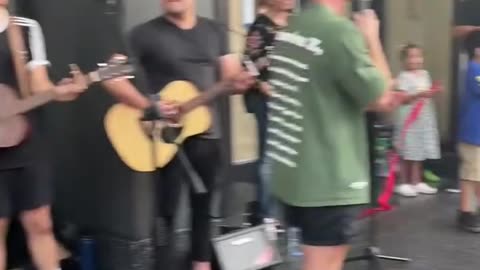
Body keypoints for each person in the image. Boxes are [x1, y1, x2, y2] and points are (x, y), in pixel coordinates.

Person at [101, 1, 253, 269]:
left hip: (207, 134)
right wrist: (149, 106)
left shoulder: (216, 31)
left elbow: (230, 79)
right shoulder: (143, 34)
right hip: (164, 138)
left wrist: (241, 82)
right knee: (166, 214)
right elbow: (109, 77)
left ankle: (201, 265)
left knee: (204, 210)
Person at [265, 1, 406, 269]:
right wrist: (371, 38)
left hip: (294, 173)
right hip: (329, 177)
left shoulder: (290, 28)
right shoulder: (339, 31)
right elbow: (382, 96)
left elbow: (321, 93)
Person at [0, 2, 86, 270]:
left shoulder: (24, 29)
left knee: (41, 223)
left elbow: (39, 85)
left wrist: (61, 91)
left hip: (28, 144)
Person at [243, 0, 294, 225]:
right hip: (267, 99)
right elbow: (248, 63)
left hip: (292, 99)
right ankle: (267, 215)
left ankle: (286, 211)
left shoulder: (295, 25)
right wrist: (265, 88)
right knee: (270, 156)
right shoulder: (261, 27)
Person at [393, 44, 441, 197]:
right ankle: (403, 182)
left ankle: (416, 181)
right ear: (404, 60)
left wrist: (432, 92)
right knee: (408, 150)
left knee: (419, 151)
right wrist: (417, 95)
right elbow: (402, 98)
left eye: (418, 56)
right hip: (409, 119)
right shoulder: (403, 77)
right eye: (411, 56)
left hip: (424, 118)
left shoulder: (425, 74)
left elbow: (426, 93)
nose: (416, 60)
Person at [457, 33, 480, 233]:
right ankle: (466, 212)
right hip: (473, 134)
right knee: (471, 175)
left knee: (477, 175)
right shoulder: (474, 69)